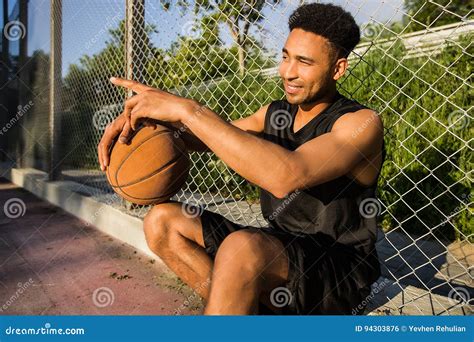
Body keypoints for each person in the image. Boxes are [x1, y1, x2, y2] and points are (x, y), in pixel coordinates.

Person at [97, 3, 385, 315]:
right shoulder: (275, 114)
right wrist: (145, 127)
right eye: (286, 56)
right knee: (162, 221)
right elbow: (207, 136)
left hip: (339, 268)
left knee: (240, 249)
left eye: (304, 62)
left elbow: (286, 175)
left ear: (337, 69)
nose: (287, 72)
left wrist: (188, 109)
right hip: (284, 247)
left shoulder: (360, 124)